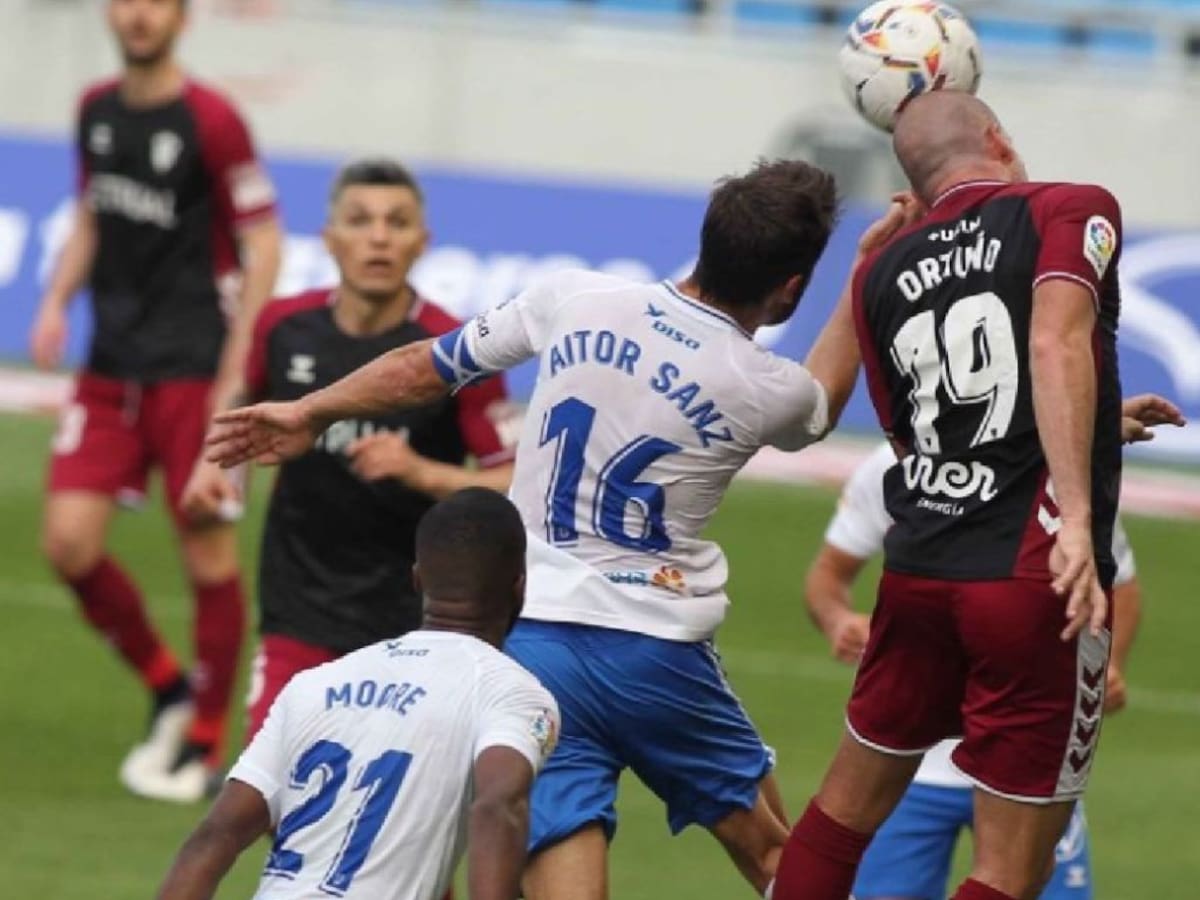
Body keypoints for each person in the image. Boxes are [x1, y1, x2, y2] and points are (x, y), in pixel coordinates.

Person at [204, 160, 921, 899]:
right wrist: (863, 271)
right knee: (776, 857)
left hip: (534, 649)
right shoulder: (767, 387)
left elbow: (423, 368)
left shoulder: (573, 297)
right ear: (790, 290)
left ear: (707, 240)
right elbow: (822, 402)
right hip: (657, 657)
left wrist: (310, 409)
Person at [771, 92, 1184, 900]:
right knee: (1012, 869)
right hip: (1033, 578)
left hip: (920, 569)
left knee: (842, 813)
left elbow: (921, 438)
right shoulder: (1069, 207)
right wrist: (1076, 517)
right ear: (998, 138)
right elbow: (1053, 340)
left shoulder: (882, 265)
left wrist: (1096, 423)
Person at [27, 0, 283, 801]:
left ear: (182, 18)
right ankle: (167, 684)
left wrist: (236, 372)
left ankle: (205, 738)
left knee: (206, 551)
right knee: (68, 545)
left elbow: (264, 240)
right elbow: (92, 214)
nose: (139, 15)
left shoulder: (213, 121)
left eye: (157, 3)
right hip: (110, 368)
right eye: (128, 1)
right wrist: (55, 300)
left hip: (195, 372)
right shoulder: (95, 109)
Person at [218, 158, 516, 744]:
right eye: (360, 221)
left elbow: (514, 480)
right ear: (330, 239)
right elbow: (242, 406)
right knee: (265, 775)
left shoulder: (455, 350)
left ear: (421, 242)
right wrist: (221, 480)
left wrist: (419, 472)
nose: (378, 237)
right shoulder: (284, 326)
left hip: (414, 623)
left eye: (396, 222)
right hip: (297, 609)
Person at [156, 488, 560, 900]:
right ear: (520, 587)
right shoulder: (511, 692)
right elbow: (499, 806)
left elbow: (214, 837)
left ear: (417, 579)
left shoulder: (314, 685)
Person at [806, 440, 1148, 900]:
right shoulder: (893, 462)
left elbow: (1120, 581)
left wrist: (1109, 666)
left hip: (1032, 758)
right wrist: (838, 620)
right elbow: (828, 573)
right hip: (910, 767)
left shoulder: (1060, 468)